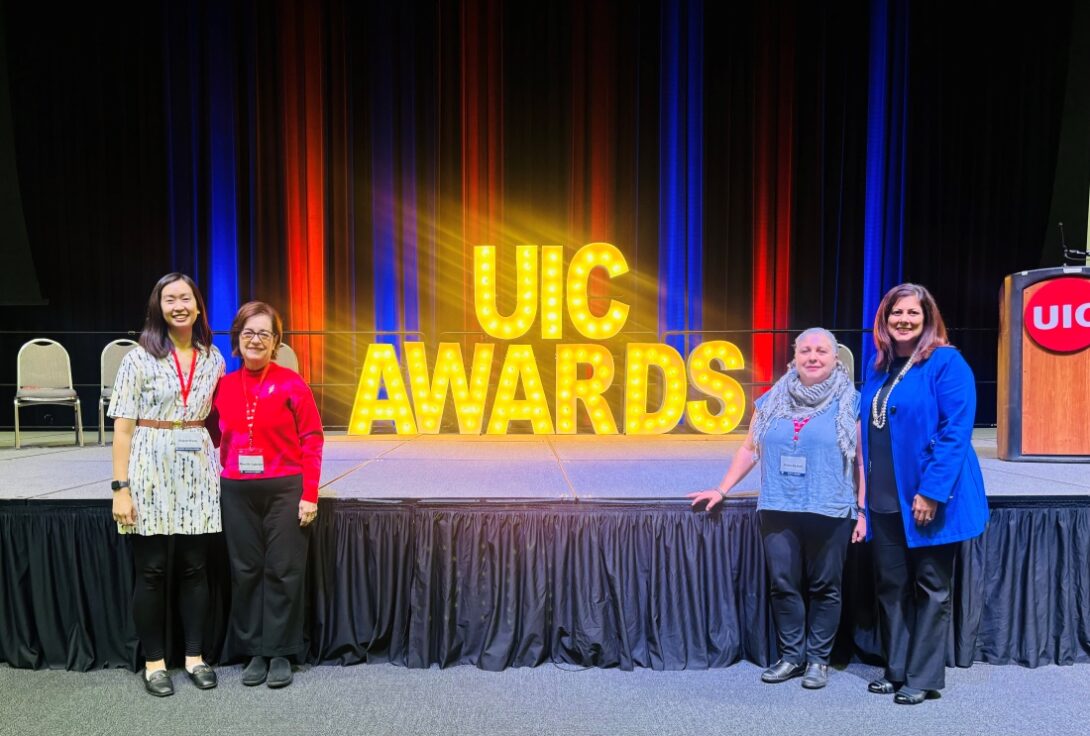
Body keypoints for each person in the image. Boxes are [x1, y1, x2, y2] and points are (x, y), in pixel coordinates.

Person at [689, 328, 866, 689]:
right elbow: (749, 449)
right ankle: (791, 657)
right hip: (778, 506)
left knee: (824, 587)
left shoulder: (852, 402)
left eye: (821, 351)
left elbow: (863, 463)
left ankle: (818, 661)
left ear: (836, 358)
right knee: (784, 585)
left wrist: (862, 511)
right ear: (794, 356)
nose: (812, 357)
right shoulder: (771, 400)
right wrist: (722, 488)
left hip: (830, 508)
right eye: (805, 350)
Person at [860, 283, 988, 705]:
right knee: (891, 585)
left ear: (927, 318)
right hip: (883, 500)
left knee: (931, 586)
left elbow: (955, 432)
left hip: (928, 498)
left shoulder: (946, 363)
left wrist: (931, 492)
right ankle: (895, 668)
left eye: (913, 313)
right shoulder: (878, 366)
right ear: (885, 318)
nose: (904, 320)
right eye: (897, 312)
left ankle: (924, 676)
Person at [109, 272, 226, 697]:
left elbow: (217, 417)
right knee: (153, 570)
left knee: (196, 568)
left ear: (198, 306)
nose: (178, 305)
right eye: (169, 298)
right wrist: (120, 487)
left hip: (196, 465)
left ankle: (195, 658)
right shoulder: (137, 358)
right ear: (158, 307)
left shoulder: (213, 357)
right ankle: (154, 662)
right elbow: (122, 429)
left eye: (186, 298)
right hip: (148, 465)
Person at [211, 301, 323, 689]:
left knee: (283, 569)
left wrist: (309, 494)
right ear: (237, 341)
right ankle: (254, 650)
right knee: (245, 571)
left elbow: (312, 439)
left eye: (264, 334)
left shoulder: (292, 383)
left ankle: (280, 651)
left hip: (285, 488)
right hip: (237, 489)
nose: (256, 340)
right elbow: (214, 432)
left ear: (276, 342)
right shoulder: (223, 385)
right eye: (248, 333)